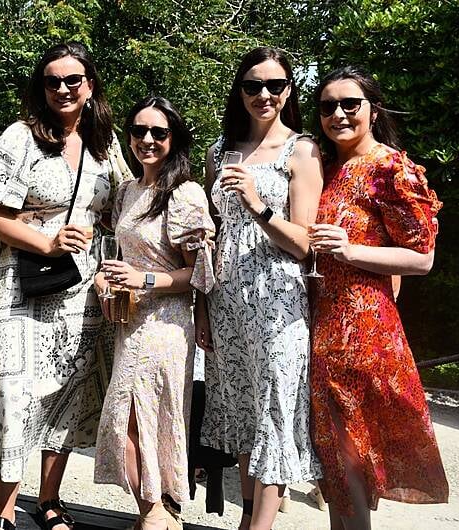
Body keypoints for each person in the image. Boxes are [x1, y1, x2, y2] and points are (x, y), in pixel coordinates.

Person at [0, 41, 132, 530]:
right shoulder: (20, 137)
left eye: (73, 80)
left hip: (85, 290)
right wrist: (45, 241)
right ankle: (3, 509)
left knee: (71, 394)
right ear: (41, 88)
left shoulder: (105, 145)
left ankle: (49, 499)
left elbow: (127, 202)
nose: (63, 89)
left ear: (90, 85)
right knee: (16, 395)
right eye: (53, 81)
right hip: (27, 283)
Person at [310, 65, 448, 530]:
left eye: (351, 104)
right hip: (318, 328)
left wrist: (350, 250)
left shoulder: (390, 168)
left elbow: (421, 259)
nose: (339, 114)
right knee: (334, 456)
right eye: (328, 106)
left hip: (363, 334)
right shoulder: (326, 169)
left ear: (373, 108)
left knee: (352, 453)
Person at [196, 46, 324, 530]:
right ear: (240, 91)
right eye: (253, 86)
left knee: (274, 410)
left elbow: (305, 244)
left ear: (289, 91)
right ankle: (248, 518)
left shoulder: (303, 149)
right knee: (244, 412)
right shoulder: (218, 151)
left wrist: (256, 203)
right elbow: (213, 235)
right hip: (226, 300)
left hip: (278, 300)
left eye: (275, 85)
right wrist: (204, 308)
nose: (264, 95)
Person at [92, 96, 215, 530]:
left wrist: (143, 281)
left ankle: (156, 514)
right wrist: (106, 281)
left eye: (158, 133)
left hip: (166, 323)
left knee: (135, 414)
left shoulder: (184, 193)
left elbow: (198, 273)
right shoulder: (127, 191)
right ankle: (158, 512)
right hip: (130, 320)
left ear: (174, 139)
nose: (146, 140)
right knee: (139, 416)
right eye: (139, 131)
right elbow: (118, 252)